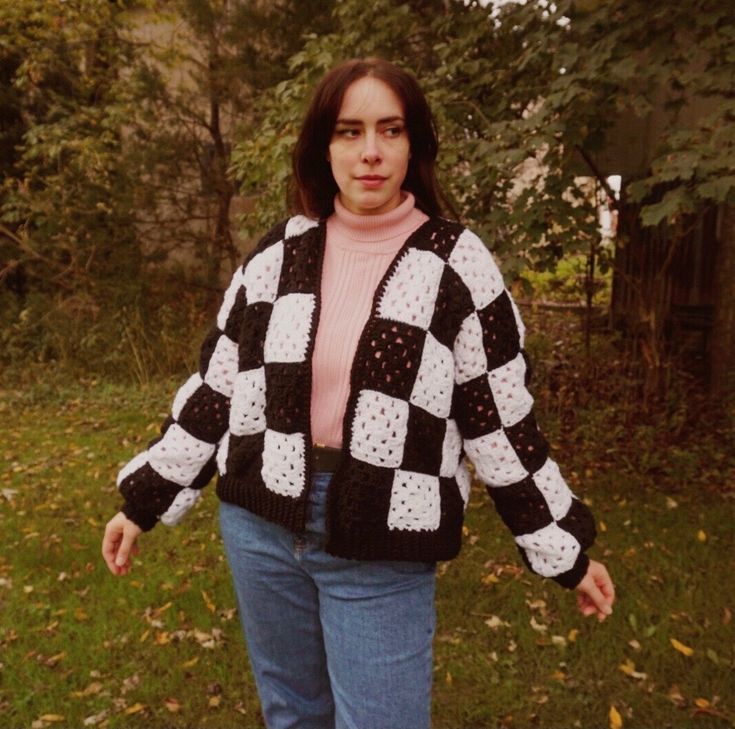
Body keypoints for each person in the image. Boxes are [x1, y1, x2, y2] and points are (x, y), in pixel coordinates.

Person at [102, 57, 615, 729]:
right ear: (323, 145)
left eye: (390, 129)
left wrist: (563, 549)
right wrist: (143, 500)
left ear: (413, 144)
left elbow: (501, 427)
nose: (369, 152)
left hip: (382, 538)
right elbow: (215, 391)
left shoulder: (456, 266)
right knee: (292, 713)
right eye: (348, 131)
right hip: (259, 528)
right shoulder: (276, 256)